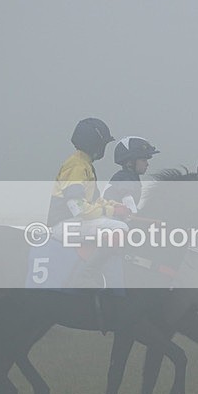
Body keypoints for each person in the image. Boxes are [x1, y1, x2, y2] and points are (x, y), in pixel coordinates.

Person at [47, 118, 130, 304]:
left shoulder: (84, 165)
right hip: (64, 225)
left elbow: (93, 201)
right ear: (95, 144)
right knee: (119, 228)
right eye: (103, 144)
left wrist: (114, 206)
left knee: (119, 224)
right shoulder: (76, 166)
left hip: (73, 222)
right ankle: (86, 275)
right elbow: (77, 207)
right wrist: (110, 211)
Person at [103, 136, 160, 213]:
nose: (147, 164)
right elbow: (130, 208)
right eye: (143, 160)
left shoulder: (130, 177)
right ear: (130, 163)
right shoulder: (125, 179)